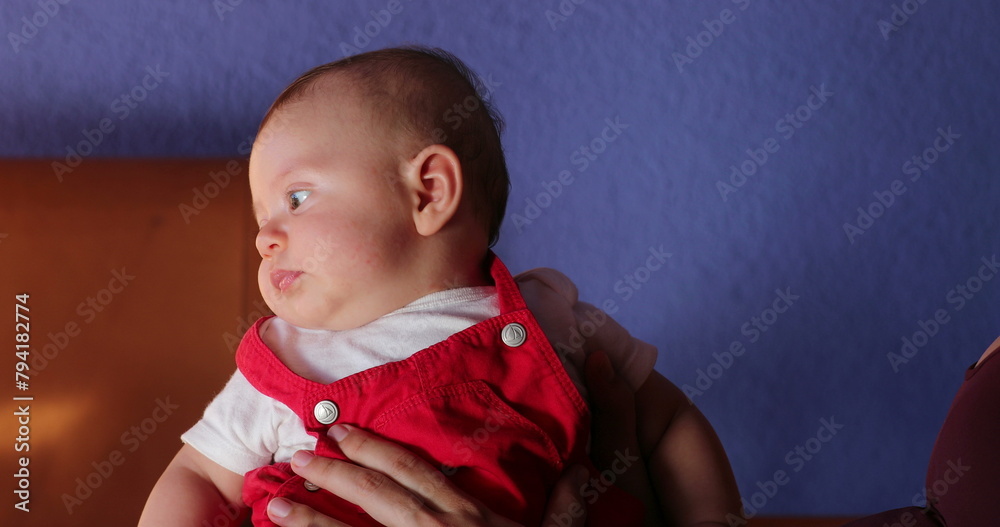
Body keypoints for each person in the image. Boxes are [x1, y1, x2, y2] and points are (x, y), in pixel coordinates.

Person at [138, 47, 741, 527]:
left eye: (296, 199)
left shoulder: (549, 317)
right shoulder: (287, 359)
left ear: (428, 191)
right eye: (261, 216)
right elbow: (198, 475)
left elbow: (667, 424)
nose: (266, 236)